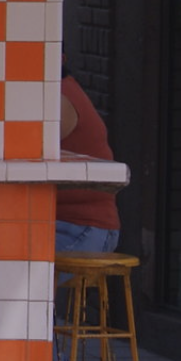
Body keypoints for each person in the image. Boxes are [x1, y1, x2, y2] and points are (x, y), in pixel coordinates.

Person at [56, 73, 119, 254]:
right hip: (58, 223)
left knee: (12, 270)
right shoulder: (57, 92)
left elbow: (23, 147)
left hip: (81, 228)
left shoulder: (63, 97)